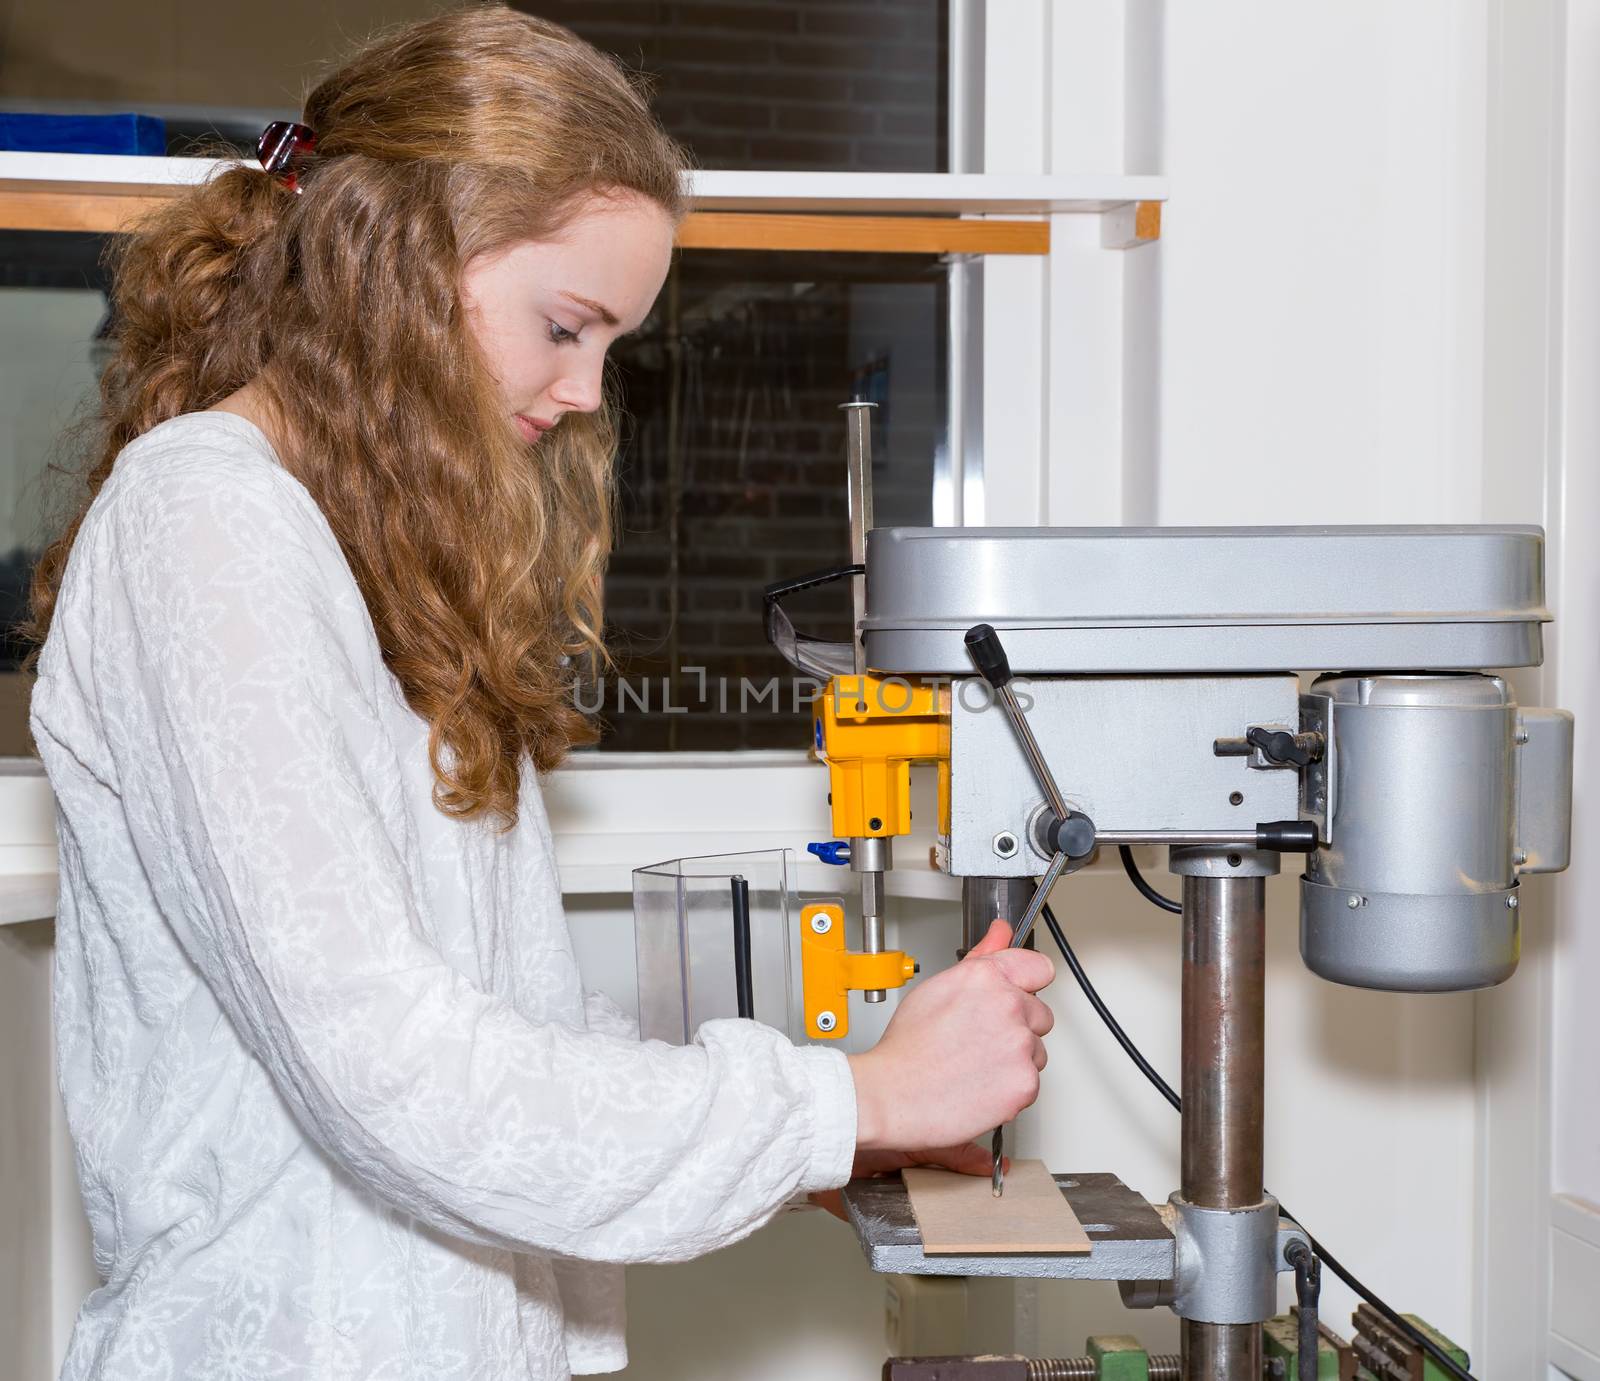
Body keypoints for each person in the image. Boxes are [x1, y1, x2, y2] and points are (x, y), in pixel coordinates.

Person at [25, 8, 1055, 1378]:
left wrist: (824, 1129)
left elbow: (507, 1019)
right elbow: (401, 1074)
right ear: (388, 261)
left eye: (609, 345)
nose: (582, 391)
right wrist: (849, 1093)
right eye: (564, 325)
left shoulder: (370, 554)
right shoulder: (205, 529)